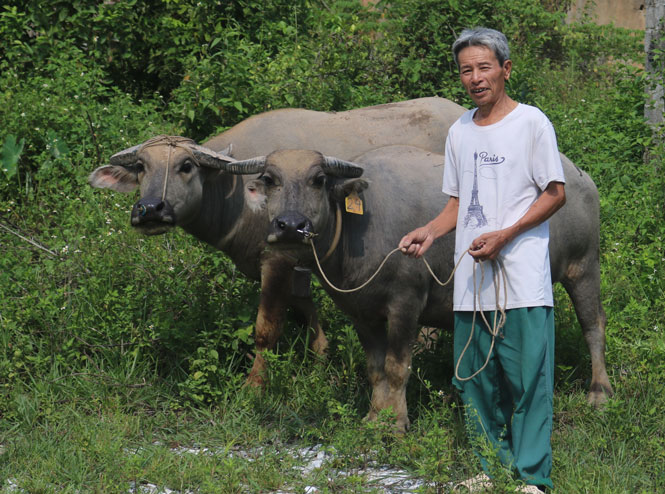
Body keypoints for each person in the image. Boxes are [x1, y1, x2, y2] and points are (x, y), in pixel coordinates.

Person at [399, 27, 566, 493]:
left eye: (484, 67)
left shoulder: (532, 122)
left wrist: (506, 235)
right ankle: (492, 468)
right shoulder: (459, 130)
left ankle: (533, 477)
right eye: (466, 69)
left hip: (523, 278)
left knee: (527, 381)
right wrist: (429, 232)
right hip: (472, 281)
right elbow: (457, 203)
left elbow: (555, 193)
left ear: (506, 69)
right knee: (475, 382)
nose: (475, 77)